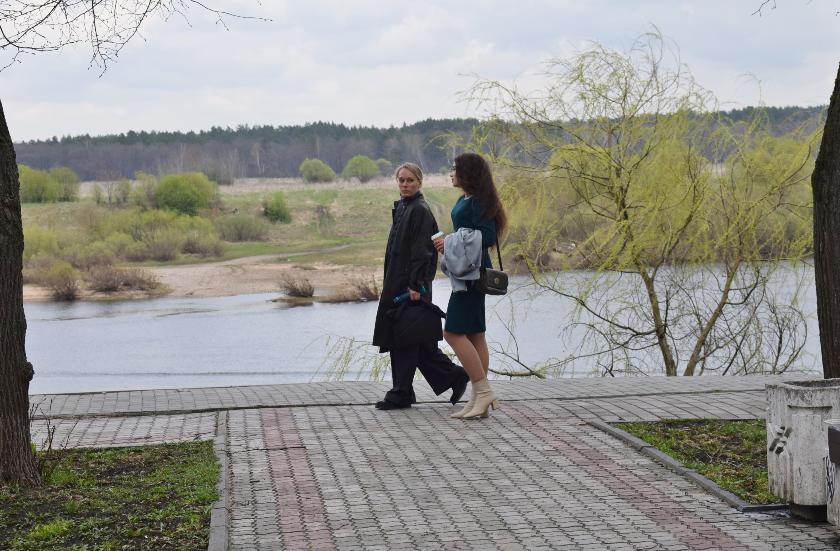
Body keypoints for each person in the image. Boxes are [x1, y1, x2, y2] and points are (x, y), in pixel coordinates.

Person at [372, 162, 470, 410]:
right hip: (399, 283)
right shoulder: (405, 207)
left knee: (404, 338)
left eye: (410, 181)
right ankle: (454, 376)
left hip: (411, 288)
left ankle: (401, 393)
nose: (405, 185)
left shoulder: (419, 210)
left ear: (419, 182)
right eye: (401, 180)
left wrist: (416, 286)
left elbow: (424, 252)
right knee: (418, 340)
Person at [433, 153, 507, 419]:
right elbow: (468, 234)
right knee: (475, 334)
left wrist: (450, 241)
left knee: (452, 333)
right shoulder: (464, 199)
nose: (451, 173)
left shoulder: (479, 201)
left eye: (455, 169)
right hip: (467, 273)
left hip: (473, 277)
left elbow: (487, 236)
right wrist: (450, 242)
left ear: (468, 173)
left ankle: (483, 391)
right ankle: (478, 400)